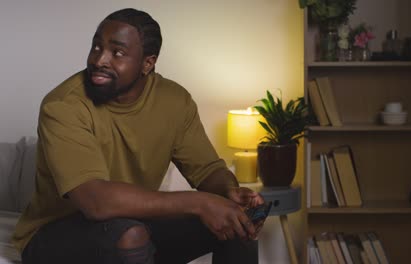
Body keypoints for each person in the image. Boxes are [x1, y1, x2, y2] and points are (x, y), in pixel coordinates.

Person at [12, 8, 265, 264]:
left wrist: (228, 192)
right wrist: (199, 203)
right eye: (96, 47)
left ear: (147, 63)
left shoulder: (174, 101)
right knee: (130, 234)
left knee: (237, 223)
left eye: (117, 53)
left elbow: (208, 170)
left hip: (135, 223)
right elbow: (95, 202)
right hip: (53, 235)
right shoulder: (63, 106)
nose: (100, 60)